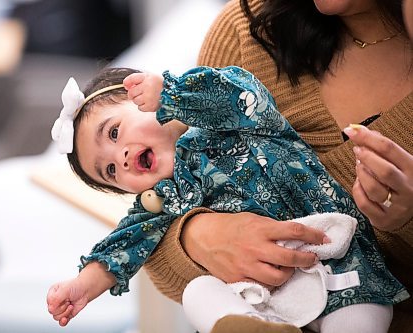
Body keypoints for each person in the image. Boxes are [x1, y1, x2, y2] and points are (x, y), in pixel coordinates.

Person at [46, 65, 408, 333]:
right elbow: (125, 244)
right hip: (268, 296)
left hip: (343, 265)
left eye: (114, 132)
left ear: (142, 96)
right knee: (198, 293)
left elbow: (240, 94)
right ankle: (255, 326)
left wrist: (171, 95)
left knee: (361, 321)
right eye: (109, 171)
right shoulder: (165, 196)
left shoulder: (230, 121)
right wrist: (82, 286)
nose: (120, 159)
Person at [136, 1, 412, 332]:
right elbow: (155, 232)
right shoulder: (246, 33)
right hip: (261, 304)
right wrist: (196, 235)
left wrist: (406, 221)